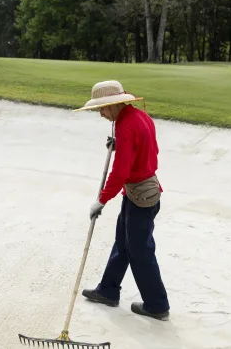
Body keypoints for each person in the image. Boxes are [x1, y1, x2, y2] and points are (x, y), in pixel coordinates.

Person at [73, 80, 170, 321]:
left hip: (140, 196)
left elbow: (120, 173)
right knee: (123, 243)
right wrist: (120, 145)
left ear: (114, 104)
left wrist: (102, 200)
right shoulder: (137, 117)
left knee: (140, 251)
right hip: (141, 192)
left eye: (102, 109)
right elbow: (148, 148)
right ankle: (108, 290)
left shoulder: (125, 125)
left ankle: (157, 305)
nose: (101, 114)